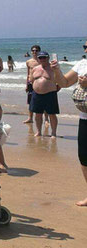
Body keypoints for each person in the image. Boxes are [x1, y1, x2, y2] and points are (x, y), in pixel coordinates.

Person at [52, 38, 87, 206]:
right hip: (85, 118)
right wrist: (57, 70)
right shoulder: (81, 64)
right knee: (84, 158)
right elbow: (64, 83)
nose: (86, 50)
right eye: (85, 47)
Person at [29, 51, 60, 138]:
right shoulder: (35, 68)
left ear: (48, 58)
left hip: (50, 94)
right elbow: (31, 80)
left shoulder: (53, 68)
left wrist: (57, 88)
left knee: (52, 114)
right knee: (37, 114)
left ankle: (53, 132)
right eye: (40, 57)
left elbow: (61, 80)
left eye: (44, 57)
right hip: (37, 94)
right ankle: (39, 131)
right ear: (38, 58)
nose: (42, 59)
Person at [25, 45, 41, 124]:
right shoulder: (28, 62)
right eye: (33, 51)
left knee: (42, 100)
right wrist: (26, 85)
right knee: (30, 101)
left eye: (36, 50)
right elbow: (28, 74)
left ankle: (46, 119)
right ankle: (30, 118)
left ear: (39, 51)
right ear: (31, 52)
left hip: (40, 83)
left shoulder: (42, 61)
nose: (35, 52)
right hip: (31, 83)